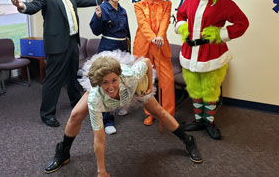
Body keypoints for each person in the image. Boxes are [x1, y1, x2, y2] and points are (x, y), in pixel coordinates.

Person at [44, 52, 202, 175]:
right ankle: (63, 152)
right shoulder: (95, 97)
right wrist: (101, 172)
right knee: (75, 115)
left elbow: (146, 62)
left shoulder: (131, 76)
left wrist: (148, 87)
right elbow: (99, 138)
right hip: (105, 85)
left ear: (119, 77)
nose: (111, 87)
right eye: (105, 83)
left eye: (113, 81)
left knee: (159, 112)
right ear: (98, 83)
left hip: (131, 87)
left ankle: (188, 140)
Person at [9, 0, 104, 127]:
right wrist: (21, 5)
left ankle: (76, 102)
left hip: (72, 41)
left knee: (72, 75)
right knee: (53, 80)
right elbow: (33, 6)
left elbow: (83, 1)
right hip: (56, 44)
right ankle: (47, 114)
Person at [175, 0, 249, 139]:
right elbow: (180, 15)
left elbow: (242, 23)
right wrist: (183, 27)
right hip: (189, 53)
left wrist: (220, 34)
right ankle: (198, 120)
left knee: (210, 90)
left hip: (211, 54)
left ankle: (208, 122)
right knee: (194, 89)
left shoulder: (224, 3)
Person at [133, 0, 175, 126]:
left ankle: (168, 114)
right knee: (146, 82)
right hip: (143, 47)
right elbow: (142, 24)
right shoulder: (138, 5)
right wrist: (152, 37)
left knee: (168, 80)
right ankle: (149, 113)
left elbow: (165, 22)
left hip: (160, 46)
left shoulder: (167, 4)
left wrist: (160, 36)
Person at [90, 0, 131, 135]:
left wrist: (129, 50)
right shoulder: (102, 9)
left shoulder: (123, 11)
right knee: (107, 84)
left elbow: (127, 33)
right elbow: (95, 31)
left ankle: (119, 105)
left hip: (122, 48)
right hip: (107, 48)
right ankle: (107, 120)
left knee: (120, 80)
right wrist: (98, 17)